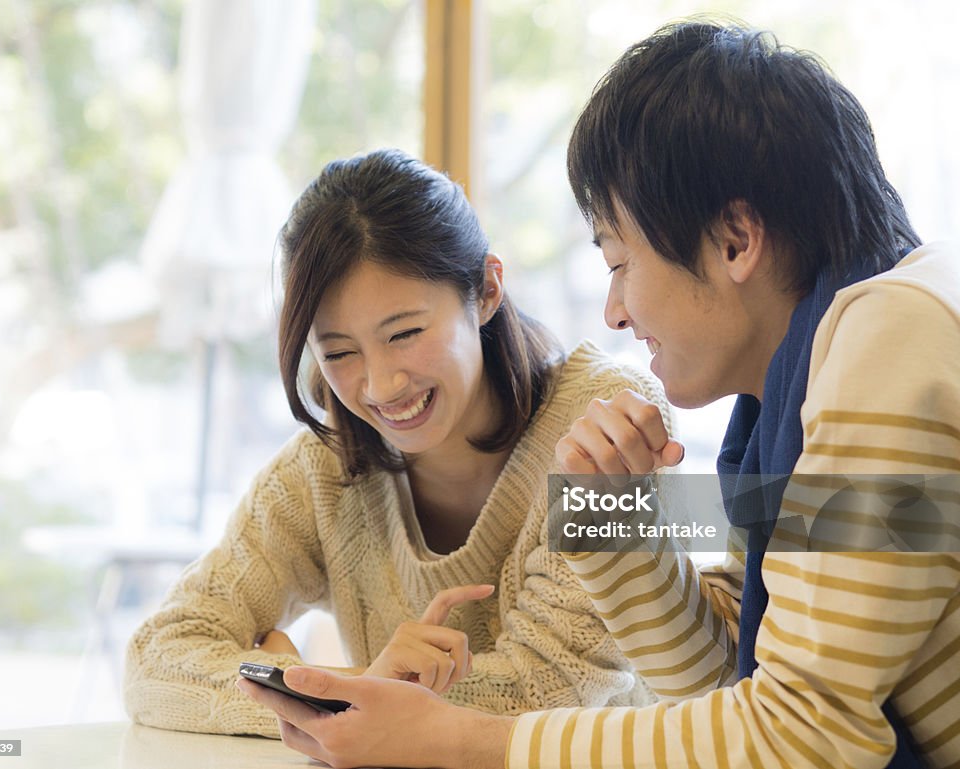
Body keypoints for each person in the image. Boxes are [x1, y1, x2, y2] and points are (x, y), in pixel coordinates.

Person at [237, 21, 960, 769]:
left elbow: (804, 736)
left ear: (737, 239)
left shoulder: (889, 334)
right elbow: (729, 691)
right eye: (340, 352)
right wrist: (616, 526)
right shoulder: (794, 385)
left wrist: (451, 736)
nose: (615, 310)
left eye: (620, 261)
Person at [124, 148, 672, 736]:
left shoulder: (608, 421)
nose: (381, 385)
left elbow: (555, 688)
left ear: (486, 290)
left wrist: (345, 695)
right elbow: (157, 655)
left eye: (405, 333)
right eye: (338, 352)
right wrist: (336, 693)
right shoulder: (324, 470)